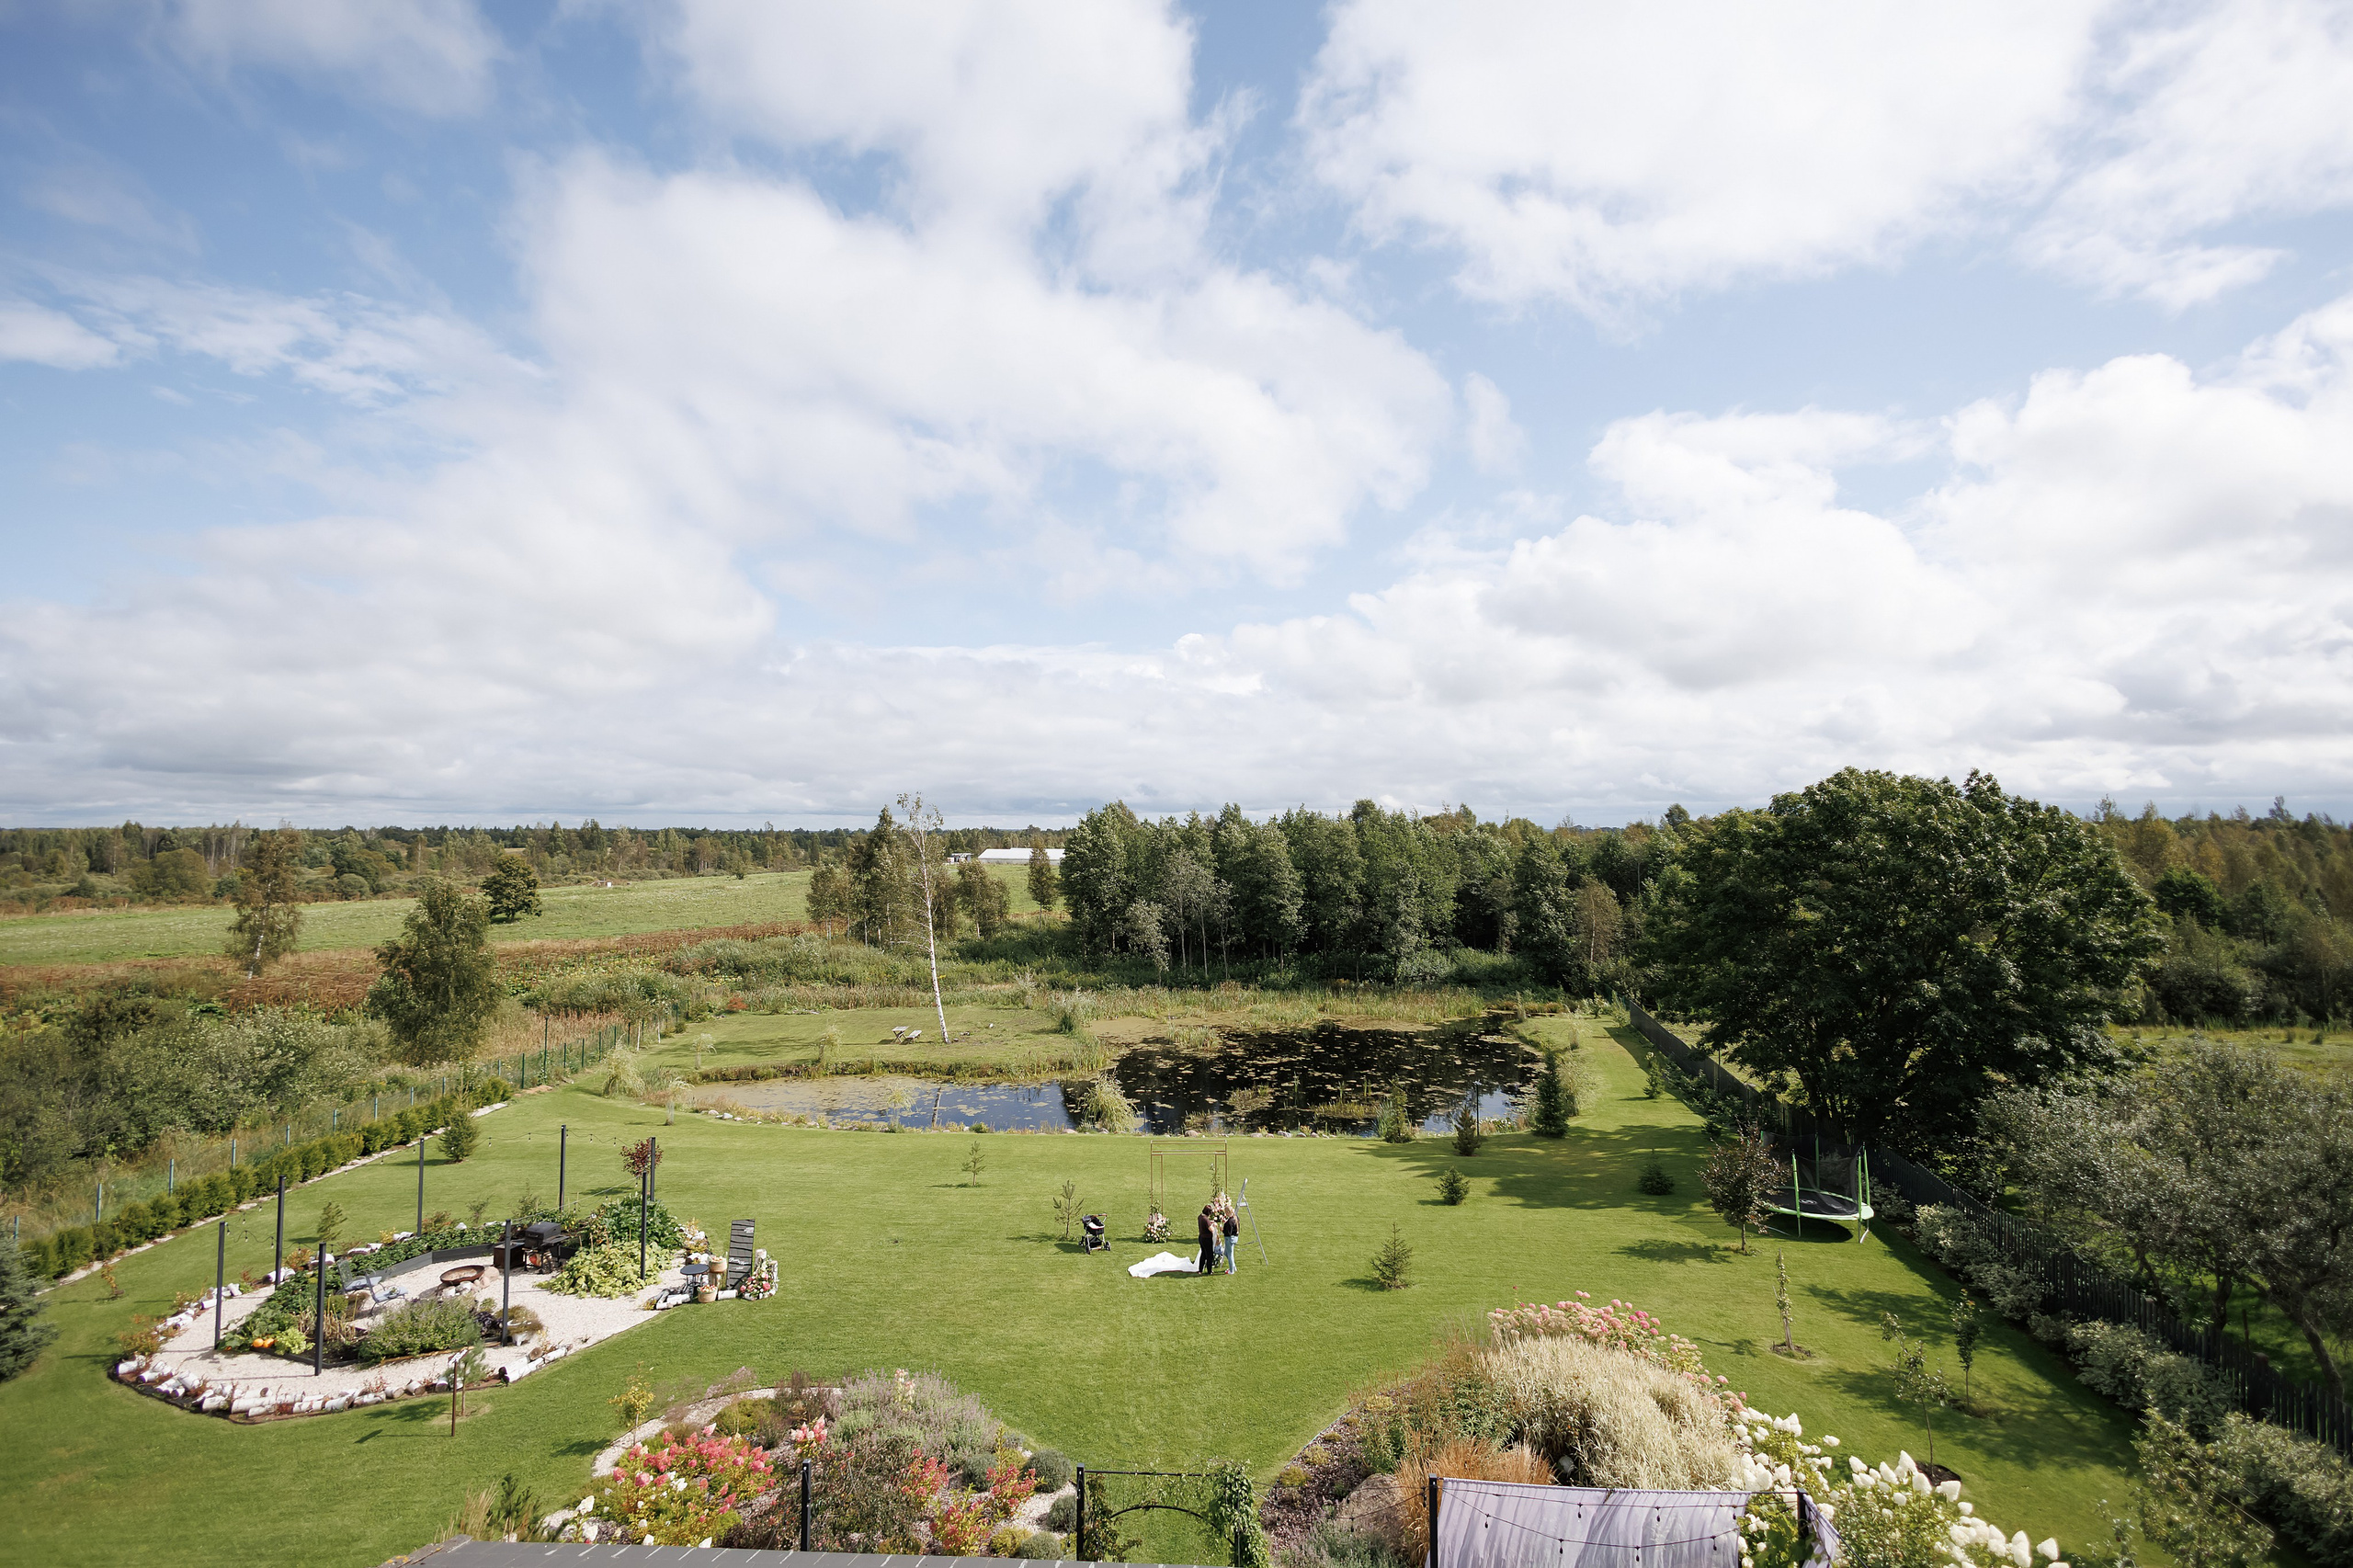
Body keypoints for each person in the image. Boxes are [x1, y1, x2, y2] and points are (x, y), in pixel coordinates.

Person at [1197, 1204, 1217, 1275]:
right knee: (1209, 1255)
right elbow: (1211, 1229)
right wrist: (1214, 1225)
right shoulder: (1206, 1219)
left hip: (1201, 1237)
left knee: (1203, 1254)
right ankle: (1209, 1271)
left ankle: (1200, 1270)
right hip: (1207, 1239)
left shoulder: (1200, 1217)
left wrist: (1210, 1222)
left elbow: (1206, 1223)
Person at [1220, 1198, 1239, 1275]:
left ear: (1227, 1212)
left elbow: (1228, 1232)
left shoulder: (1230, 1222)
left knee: (1230, 1254)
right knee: (1227, 1253)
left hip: (1229, 1239)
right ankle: (1233, 1266)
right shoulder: (1236, 1218)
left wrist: (1222, 1229)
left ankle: (1231, 1270)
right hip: (1235, 1238)